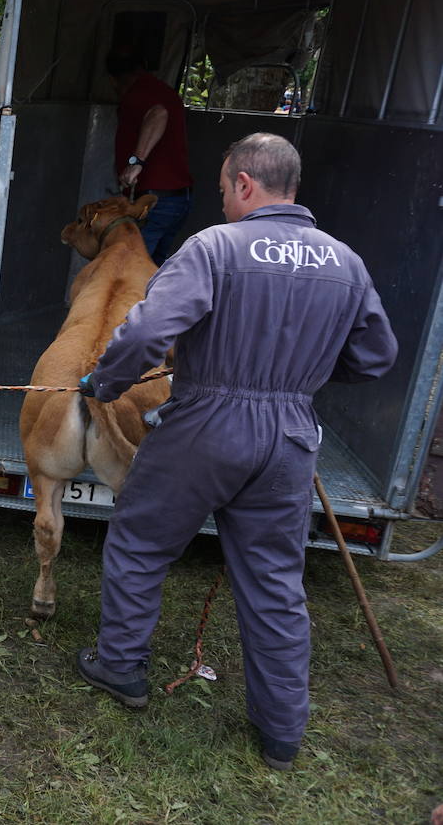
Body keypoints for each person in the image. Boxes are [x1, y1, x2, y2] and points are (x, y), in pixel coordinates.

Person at [74, 133, 397, 771]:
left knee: (140, 542)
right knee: (276, 581)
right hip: (289, 438)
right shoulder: (346, 262)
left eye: (223, 188)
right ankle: (281, 732)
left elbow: (146, 332)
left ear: (245, 183)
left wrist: (103, 383)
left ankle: (120, 668)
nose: (221, 201)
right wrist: (294, 384)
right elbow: (374, 357)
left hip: (205, 423)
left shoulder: (214, 248)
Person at [107, 49, 193, 264]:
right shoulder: (163, 90)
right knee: (151, 270)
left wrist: (136, 162)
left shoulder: (139, 94)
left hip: (154, 201)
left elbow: (158, 114)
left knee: (128, 269)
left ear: (115, 80)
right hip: (177, 199)